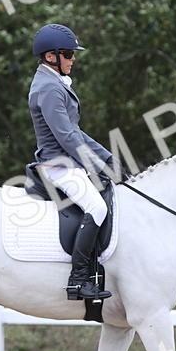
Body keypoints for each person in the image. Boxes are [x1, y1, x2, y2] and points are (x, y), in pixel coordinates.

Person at [28, 23, 120, 301]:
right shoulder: (49, 88)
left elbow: (76, 132)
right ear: (50, 56)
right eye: (68, 53)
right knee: (97, 207)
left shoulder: (53, 83)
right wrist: (93, 165)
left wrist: (107, 157)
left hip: (67, 161)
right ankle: (79, 279)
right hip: (58, 165)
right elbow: (66, 137)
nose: (73, 58)